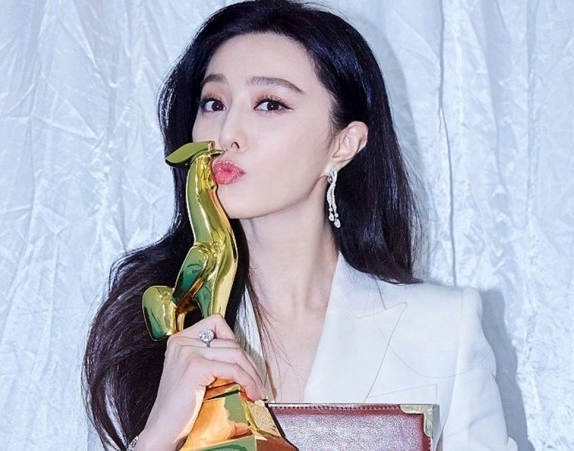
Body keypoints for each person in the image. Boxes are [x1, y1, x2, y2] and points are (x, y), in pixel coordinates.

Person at [83, 1, 516, 449]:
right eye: (214, 103)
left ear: (343, 144)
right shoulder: (160, 324)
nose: (225, 133)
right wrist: (158, 433)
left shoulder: (442, 328)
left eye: (269, 104)